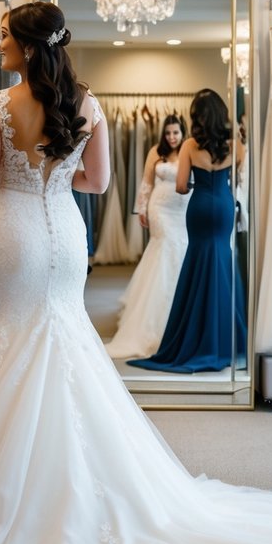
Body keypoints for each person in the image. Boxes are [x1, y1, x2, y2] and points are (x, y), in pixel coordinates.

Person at [0, 5, 272, 544]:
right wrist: (59, 168)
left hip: (13, 233)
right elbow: (99, 185)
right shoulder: (87, 104)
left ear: (24, 45)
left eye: (4, 38)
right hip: (65, 238)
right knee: (65, 341)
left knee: (4, 337)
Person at [129, 89, 248, 374]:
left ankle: (194, 335)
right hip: (222, 206)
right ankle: (224, 339)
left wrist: (198, 185)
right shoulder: (236, 145)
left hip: (199, 207)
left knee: (196, 263)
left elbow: (181, 186)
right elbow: (240, 180)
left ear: (197, 118)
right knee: (222, 261)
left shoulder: (190, 145)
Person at [106, 114, 191, 361]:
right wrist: (141, 209)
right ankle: (152, 319)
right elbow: (146, 183)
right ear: (163, 134)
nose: (172, 137)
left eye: (176, 133)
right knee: (164, 251)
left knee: (181, 253)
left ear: (182, 132)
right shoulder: (156, 152)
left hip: (183, 211)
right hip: (161, 210)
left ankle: (177, 314)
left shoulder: (188, 150)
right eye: (168, 133)